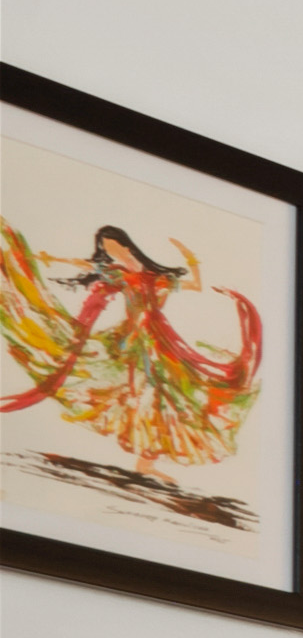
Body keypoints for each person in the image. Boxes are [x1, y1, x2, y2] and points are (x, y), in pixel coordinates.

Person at [0, 216, 267, 511]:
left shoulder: (156, 277)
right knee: (136, 395)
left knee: (166, 399)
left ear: (126, 245)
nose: (111, 253)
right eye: (106, 249)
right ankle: (145, 462)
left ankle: (145, 463)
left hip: (160, 343)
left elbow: (194, 284)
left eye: (113, 247)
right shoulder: (118, 274)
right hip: (130, 342)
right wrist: (49, 259)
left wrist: (191, 258)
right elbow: (88, 266)